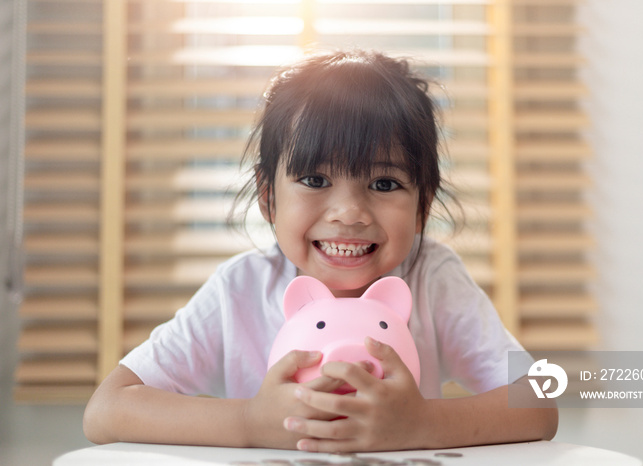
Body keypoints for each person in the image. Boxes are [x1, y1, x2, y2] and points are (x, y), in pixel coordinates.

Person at [83, 49, 557, 452]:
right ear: (268, 198)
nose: (349, 213)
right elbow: (106, 409)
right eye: (315, 180)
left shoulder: (433, 277)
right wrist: (251, 422)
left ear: (422, 207)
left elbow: (539, 398)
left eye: (384, 182)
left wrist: (423, 425)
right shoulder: (240, 290)